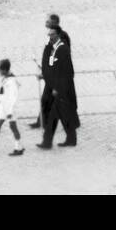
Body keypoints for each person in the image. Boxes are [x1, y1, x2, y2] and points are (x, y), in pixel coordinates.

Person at [38, 17, 79, 148]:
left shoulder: (63, 49)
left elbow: (67, 72)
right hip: (53, 87)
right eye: (49, 35)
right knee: (58, 114)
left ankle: (48, 142)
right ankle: (69, 139)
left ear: (58, 35)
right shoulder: (51, 48)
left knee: (55, 115)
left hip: (61, 89)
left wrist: (58, 88)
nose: (50, 37)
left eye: (52, 35)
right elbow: (50, 67)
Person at [0, 59, 24, 156]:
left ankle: (19, 148)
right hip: (3, 107)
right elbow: (4, 93)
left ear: (5, 70)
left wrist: (10, 111)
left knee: (13, 127)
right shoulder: (6, 78)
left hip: (10, 108)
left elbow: (13, 97)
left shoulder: (12, 81)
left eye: (0, 70)